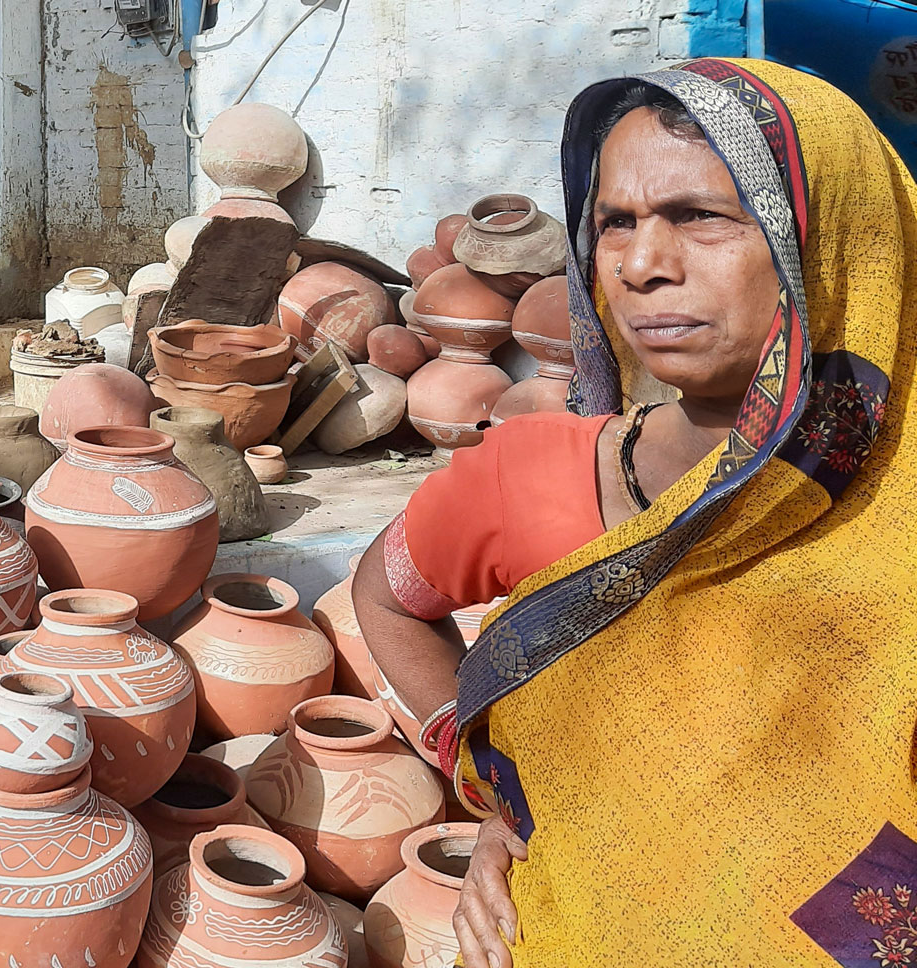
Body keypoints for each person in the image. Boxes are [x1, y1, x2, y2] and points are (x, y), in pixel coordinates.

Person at [352, 57, 917, 966]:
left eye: (700, 217)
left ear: (827, 243)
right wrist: (501, 788)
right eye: (615, 222)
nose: (644, 265)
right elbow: (385, 599)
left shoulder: (896, 507)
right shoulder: (531, 474)